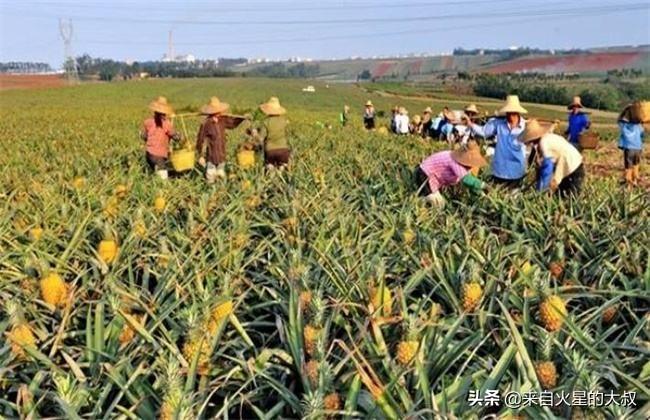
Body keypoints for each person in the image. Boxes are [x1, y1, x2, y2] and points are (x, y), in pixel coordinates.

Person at [467, 95, 528, 188]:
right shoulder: (498, 124)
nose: (509, 115)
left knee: (514, 197)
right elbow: (484, 132)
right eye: (508, 112)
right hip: (500, 170)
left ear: (516, 113)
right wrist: (471, 124)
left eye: (512, 113)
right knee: (497, 194)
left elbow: (536, 137)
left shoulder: (526, 126)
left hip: (517, 171)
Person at [520, 119, 585, 196]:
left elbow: (548, 167)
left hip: (572, 166)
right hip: (570, 163)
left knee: (571, 194)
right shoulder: (548, 137)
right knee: (562, 193)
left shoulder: (544, 143)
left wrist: (541, 190)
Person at [414, 141, 488, 208]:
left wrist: (481, 194)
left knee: (438, 201)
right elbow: (467, 180)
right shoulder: (455, 162)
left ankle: (425, 198)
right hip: (425, 175)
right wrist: (484, 185)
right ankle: (419, 202)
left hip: (430, 176)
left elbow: (470, 184)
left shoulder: (458, 159)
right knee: (439, 204)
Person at [196, 97, 246, 183]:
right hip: (211, 154)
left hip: (221, 153)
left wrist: (241, 119)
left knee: (221, 174)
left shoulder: (222, 120)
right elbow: (201, 138)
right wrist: (200, 153)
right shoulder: (206, 123)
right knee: (210, 175)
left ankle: (220, 190)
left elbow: (232, 124)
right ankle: (211, 189)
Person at [140, 96, 180, 180]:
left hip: (149, 154)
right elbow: (175, 137)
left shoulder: (148, 122)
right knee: (162, 179)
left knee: (157, 174)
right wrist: (179, 136)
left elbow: (143, 136)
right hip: (158, 156)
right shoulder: (166, 124)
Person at [259, 97, 290, 169]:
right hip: (283, 150)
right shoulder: (284, 121)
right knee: (282, 171)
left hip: (270, 151)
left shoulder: (266, 122)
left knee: (270, 171)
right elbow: (287, 134)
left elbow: (261, 137)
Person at [618, 105, 645, 186]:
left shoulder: (624, 125)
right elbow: (642, 133)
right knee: (636, 164)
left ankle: (628, 182)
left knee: (628, 166)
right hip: (638, 148)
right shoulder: (638, 126)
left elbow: (619, 120)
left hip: (629, 148)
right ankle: (635, 181)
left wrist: (625, 110)